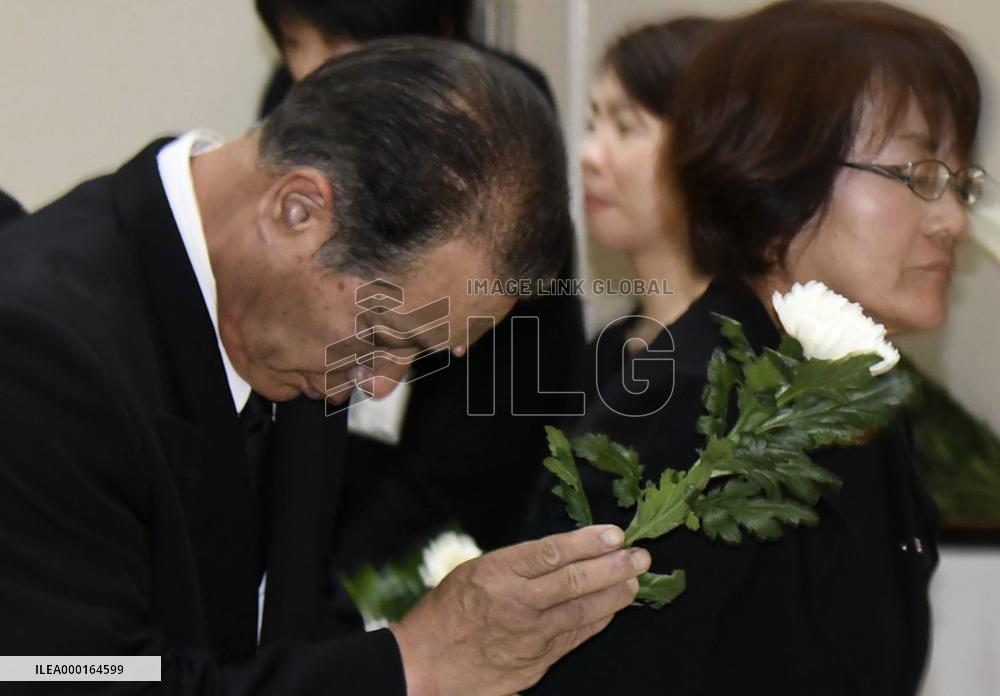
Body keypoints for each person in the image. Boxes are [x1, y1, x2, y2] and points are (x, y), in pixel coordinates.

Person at [0, 40, 648, 695]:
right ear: (298, 211)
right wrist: (412, 665)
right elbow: (63, 673)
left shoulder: (299, 328)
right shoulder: (40, 346)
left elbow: (289, 622)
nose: (380, 382)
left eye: (420, 353)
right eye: (383, 335)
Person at [527, 2, 981, 694]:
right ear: (777, 175)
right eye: (919, 174)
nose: (950, 219)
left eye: (960, 183)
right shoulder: (687, 404)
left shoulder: (854, 392)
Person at [253, 0, 586, 568]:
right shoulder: (294, 104)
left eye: (334, 47)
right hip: (322, 495)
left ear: (432, 31)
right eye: (293, 44)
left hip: (444, 518)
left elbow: (499, 410)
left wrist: (363, 567)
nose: (311, 72)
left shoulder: (493, 126)